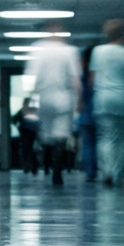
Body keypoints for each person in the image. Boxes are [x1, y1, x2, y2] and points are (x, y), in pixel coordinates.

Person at [88, 18, 124, 186]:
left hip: (103, 99)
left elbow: (92, 79)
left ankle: (107, 171)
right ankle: (117, 173)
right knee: (122, 139)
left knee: (105, 137)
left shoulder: (97, 51)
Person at [26, 26, 82, 186]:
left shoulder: (37, 49)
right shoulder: (69, 51)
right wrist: (79, 100)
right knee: (61, 136)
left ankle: (47, 164)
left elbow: (32, 78)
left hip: (45, 99)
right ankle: (57, 171)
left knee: (46, 136)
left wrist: (31, 100)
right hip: (63, 100)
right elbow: (75, 79)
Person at [77, 44, 98, 182]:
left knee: (88, 143)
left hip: (85, 112)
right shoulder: (99, 73)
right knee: (101, 142)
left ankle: (90, 172)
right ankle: (100, 169)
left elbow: (79, 91)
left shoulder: (82, 74)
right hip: (99, 109)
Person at [12, 98, 41, 174]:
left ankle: (28, 167)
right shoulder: (34, 111)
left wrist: (19, 127)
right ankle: (32, 167)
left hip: (25, 133)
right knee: (31, 150)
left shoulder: (22, 111)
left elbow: (14, 119)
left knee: (27, 150)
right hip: (33, 133)